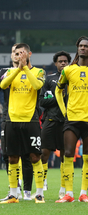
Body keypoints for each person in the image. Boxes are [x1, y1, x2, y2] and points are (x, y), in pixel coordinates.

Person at [55, 36, 88, 203]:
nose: (83, 48)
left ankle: (83, 193)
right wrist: (65, 112)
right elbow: (58, 91)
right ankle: (69, 194)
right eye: (80, 46)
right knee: (68, 154)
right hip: (72, 119)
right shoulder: (68, 70)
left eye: (86, 46)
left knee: (87, 155)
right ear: (77, 48)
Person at [0, 43, 46, 203]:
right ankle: (14, 194)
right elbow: (3, 85)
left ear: (29, 54)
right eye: (17, 53)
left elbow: (37, 85)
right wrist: (18, 69)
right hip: (11, 120)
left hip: (31, 120)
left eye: (22, 53)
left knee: (35, 156)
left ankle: (39, 193)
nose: (19, 56)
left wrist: (25, 68)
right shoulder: (7, 72)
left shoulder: (39, 71)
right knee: (12, 158)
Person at [39, 51, 71, 199]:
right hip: (50, 121)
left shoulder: (73, 79)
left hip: (67, 123)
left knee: (65, 156)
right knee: (44, 153)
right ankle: (42, 183)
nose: (63, 63)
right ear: (56, 63)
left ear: (68, 63)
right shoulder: (49, 80)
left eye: (65, 61)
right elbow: (43, 102)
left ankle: (63, 188)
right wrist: (60, 97)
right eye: (60, 61)